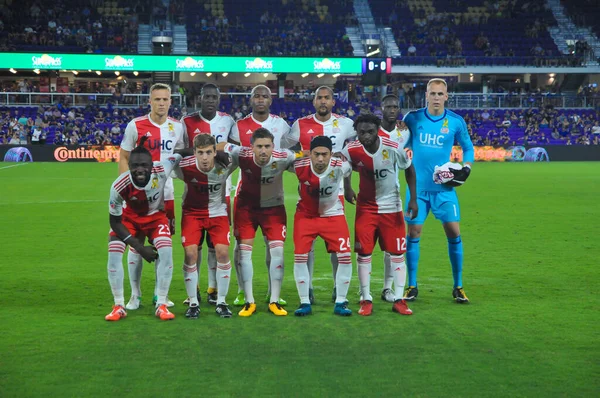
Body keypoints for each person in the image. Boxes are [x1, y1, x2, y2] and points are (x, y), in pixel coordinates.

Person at [402, 78, 474, 303]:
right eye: (432, 93)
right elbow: (402, 143)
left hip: (444, 190)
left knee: (454, 232)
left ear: (446, 96)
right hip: (418, 190)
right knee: (413, 234)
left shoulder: (455, 121)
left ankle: (458, 286)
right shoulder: (412, 119)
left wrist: (466, 168)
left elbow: (468, 148)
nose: (436, 97)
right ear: (426, 95)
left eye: (440, 94)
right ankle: (411, 286)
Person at [284, 85, 355, 304]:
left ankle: (337, 287)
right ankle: (309, 288)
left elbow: (358, 142)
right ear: (313, 102)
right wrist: (300, 153)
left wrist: (349, 184)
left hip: (337, 191)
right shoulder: (300, 125)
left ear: (333, 102)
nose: (323, 101)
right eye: (319, 98)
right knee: (308, 246)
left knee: (337, 248)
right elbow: (284, 149)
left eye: (327, 98)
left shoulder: (346, 124)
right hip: (308, 191)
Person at [341, 114, 417, 316]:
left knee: (397, 254)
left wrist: (413, 199)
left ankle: (399, 299)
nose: (366, 136)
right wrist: (347, 188)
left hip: (392, 207)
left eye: (370, 131)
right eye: (361, 132)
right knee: (363, 253)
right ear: (357, 132)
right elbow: (344, 166)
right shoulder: (351, 149)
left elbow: (409, 170)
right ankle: (366, 298)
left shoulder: (393, 147)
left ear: (377, 130)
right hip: (365, 209)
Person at [219, 128, 300, 317]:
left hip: (273, 209)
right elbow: (223, 145)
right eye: (259, 147)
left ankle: (274, 301)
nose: (263, 151)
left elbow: (303, 159)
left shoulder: (284, 156)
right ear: (251, 147)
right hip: (246, 209)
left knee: (278, 252)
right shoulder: (241, 153)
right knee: (245, 254)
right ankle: (249, 301)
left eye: (267, 146)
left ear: (273, 146)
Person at [118, 83, 185, 310]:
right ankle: (135, 295)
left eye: (165, 99)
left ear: (170, 101)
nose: (161, 103)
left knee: (163, 245)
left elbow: (180, 157)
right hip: (138, 196)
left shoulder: (177, 127)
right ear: (150, 101)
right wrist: (126, 187)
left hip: (166, 196)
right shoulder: (135, 125)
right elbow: (124, 156)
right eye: (157, 99)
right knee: (135, 244)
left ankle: (159, 294)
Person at [229, 85, 293, 307]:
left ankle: (271, 292)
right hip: (245, 191)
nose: (260, 99)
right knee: (240, 245)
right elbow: (233, 157)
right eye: (256, 95)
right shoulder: (239, 126)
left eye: (264, 95)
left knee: (272, 245)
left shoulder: (281, 125)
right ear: (250, 99)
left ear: (270, 100)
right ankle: (240, 290)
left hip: (273, 194)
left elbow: (288, 155)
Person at [105, 136, 179, 321]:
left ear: (152, 164)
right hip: (128, 219)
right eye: (135, 165)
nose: (140, 169)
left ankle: (161, 303)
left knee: (167, 251)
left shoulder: (162, 169)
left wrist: (215, 153)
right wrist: (139, 247)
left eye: (144, 165)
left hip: (156, 218)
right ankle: (119, 304)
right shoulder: (119, 186)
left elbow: (178, 155)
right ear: (128, 165)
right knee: (114, 252)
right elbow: (115, 222)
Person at [181, 83, 235, 306]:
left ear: (219, 98)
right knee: (196, 245)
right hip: (195, 189)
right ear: (200, 98)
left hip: (222, 189)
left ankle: (213, 288)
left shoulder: (228, 120)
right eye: (207, 96)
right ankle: (193, 290)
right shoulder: (187, 122)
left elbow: (235, 149)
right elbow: (183, 150)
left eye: (214, 96)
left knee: (217, 245)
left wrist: (222, 152)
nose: (210, 100)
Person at [174, 134, 237, 319]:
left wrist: (223, 153)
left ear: (214, 152)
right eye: (200, 153)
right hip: (192, 214)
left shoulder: (226, 164)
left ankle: (221, 302)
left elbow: (243, 154)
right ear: (194, 153)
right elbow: (163, 166)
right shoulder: (183, 166)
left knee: (223, 253)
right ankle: (193, 302)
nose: (204, 157)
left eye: (209, 152)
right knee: (191, 254)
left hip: (218, 214)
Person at [289, 136, 353, 317]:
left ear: (331, 154)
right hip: (305, 216)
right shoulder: (299, 166)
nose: (320, 159)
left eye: (324, 155)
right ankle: (304, 302)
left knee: (345, 256)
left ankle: (341, 301)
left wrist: (348, 189)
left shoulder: (340, 166)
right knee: (300, 256)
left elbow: (349, 172)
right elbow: (280, 164)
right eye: (316, 154)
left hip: (333, 215)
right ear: (310, 154)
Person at [376, 94, 411, 303]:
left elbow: (408, 164)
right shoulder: (371, 130)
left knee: (393, 247)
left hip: (393, 196)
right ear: (381, 107)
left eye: (395, 106)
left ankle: (387, 288)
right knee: (366, 248)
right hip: (370, 197)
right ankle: (365, 293)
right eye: (388, 106)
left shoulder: (404, 132)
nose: (391, 109)